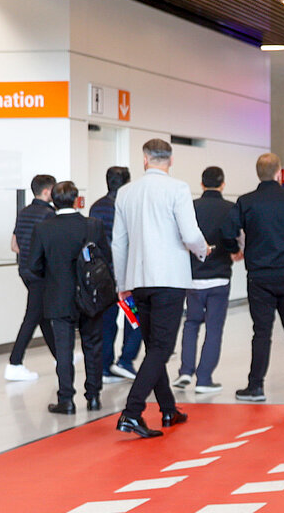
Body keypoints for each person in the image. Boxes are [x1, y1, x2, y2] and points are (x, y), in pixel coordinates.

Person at [109, 138, 210, 436]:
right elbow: (190, 234)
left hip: (138, 280)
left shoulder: (126, 193)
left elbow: (119, 243)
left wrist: (122, 283)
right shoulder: (177, 189)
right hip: (169, 279)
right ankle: (131, 412)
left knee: (155, 346)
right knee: (162, 348)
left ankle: (168, 409)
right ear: (171, 159)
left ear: (145, 159)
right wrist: (203, 250)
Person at [224, 151, 284, 402]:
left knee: (261, 332)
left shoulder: (246, 201)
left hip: (259, 277)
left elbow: (227, 230)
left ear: (258, 174)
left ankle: (255, 387)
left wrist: (236, 250)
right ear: (279, 173)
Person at [27, 180, 105, 414]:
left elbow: (33, 265)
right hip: (90, 296)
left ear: (53, 200)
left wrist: (52, 275)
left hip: (59, 295)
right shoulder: (93, 225)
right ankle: (93, 397)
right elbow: (105, 259)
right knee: (93, 345)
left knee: (64, 349)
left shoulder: (43, 228)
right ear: (76, 199)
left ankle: (66, 400)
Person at [176, 166, 236, 396]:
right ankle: (204, 379)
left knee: (191, 323)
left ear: (201, 184)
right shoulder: (231, 208)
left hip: (193, 278)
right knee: (214, 328)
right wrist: (235, 252)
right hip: (219, 277)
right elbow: (234, 239)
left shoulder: (191, 207)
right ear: (223, 184)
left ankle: (185, 371)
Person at [5, 174, 56, 383]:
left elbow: (14, 245)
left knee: (42, 315)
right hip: (41, 273)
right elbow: (51, 247)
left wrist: (27, 254)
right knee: (33, 316)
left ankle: (62, 357)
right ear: (46, 191)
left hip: (25, 270)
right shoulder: (49, 215)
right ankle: (14, 363)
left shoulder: (24, 212)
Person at [88, 166, 136, 381]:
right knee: (134, 317)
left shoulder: (96, 207)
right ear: (127, 183)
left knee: (106, 322)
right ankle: (126, 360)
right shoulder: (130, 206)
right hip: (128, 273)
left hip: (103, 276)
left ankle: (105, 368)